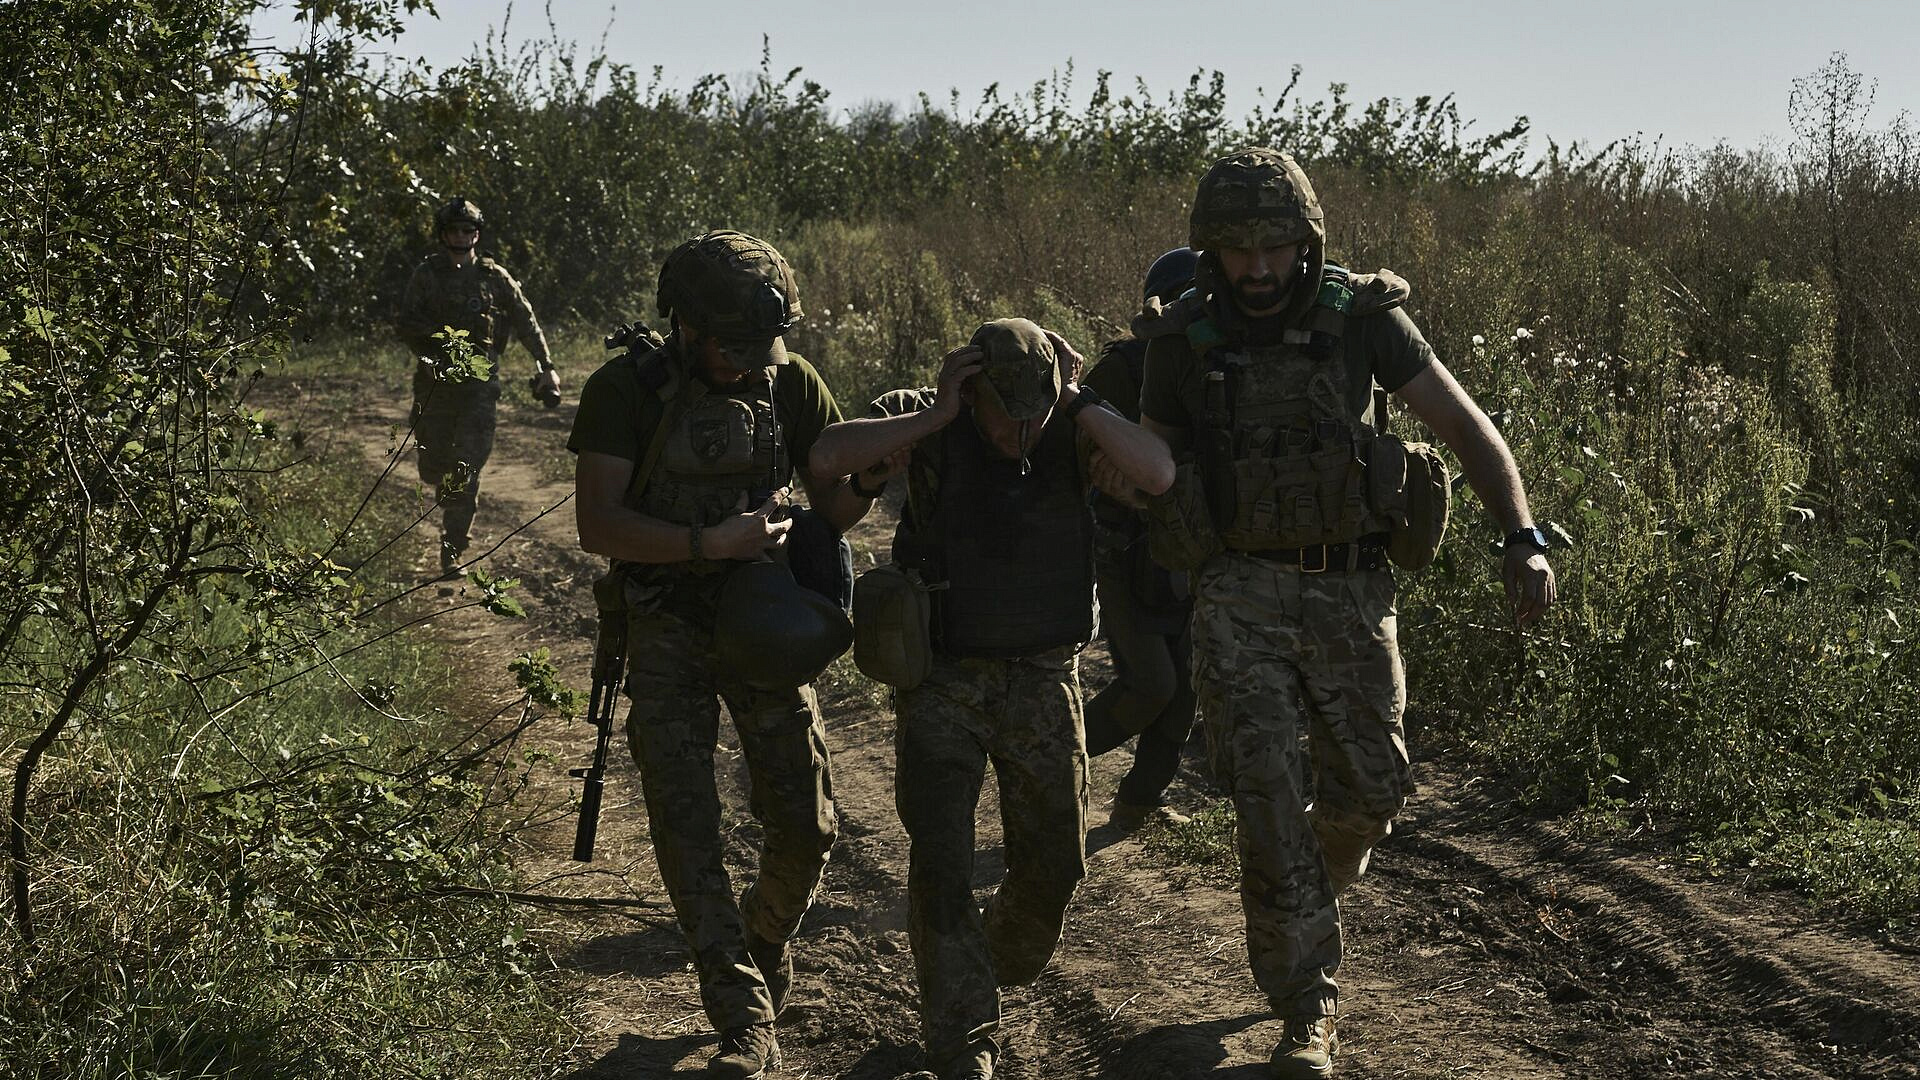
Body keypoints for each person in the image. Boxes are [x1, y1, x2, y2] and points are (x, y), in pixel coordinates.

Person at [1135, 148, 1556, 1078]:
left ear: (1307, 242)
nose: (1257, 268)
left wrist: (1521, 535)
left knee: (1373, 790)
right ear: (1209, 249)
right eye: (1238, 250)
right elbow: (1156, 464)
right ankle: (1307, 1007)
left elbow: (1464, 425)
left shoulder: (1363, 320)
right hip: (1237, 594)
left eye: (1275, 247)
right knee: (1266, 793)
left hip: (1350, 588)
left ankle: (1306, 883)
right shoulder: (1183, 338)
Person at [809, 319, 1174, 1080]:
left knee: (1056, 863)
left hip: (1044, 676)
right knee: (942, 858)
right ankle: (963, 1036)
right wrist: (933, 416)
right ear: (970, 389)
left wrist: (1078, 401)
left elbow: (1158, 474)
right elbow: (825, 456)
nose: (1019, 433)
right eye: (1004, 416)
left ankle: (984, 960)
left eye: (1034, 413)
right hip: (944, 677)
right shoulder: (932, 419)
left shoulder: (1072, 422)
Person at [569, 230, 872, 1079]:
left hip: (763, 621)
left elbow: (830, 508)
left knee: (807, 826)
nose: (742, 365)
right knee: (687, 824)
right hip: (663, 623)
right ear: (684, 326)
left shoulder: (791, 380)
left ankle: (761, 944)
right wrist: (709, 542)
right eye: (727, 348)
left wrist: (871, 482)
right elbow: (598, 523)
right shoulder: (624, 390)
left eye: (756, 348)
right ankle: (742, 1016)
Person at [1081, 246, 1202, 832]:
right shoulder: (1123, 369)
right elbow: (1075, 449)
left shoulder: (1223, 364)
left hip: (1192, 553)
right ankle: (1048, 764)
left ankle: (1138, 801)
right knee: (1152, 685)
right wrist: (1124, 487)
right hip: (1125, 550)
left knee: (1185, 694)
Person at [396, 196, 560, 575]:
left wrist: (546, 366)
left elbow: (526, 321)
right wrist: (431, 349)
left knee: (465, 469)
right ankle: (442, 484)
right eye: (453, 230)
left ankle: (452, 550)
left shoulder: (494, 277)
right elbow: (406, 323)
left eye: (466, 230)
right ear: (443, 234)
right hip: (436, 387)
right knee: (434, 466)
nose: (460, 236)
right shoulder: (427, 275)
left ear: (476, 234)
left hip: (479, 389)